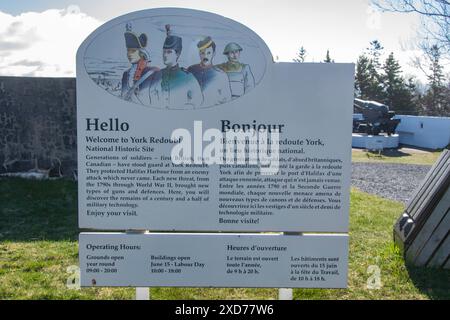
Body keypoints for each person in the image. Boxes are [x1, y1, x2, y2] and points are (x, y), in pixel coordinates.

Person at [146, 25, 203, 109]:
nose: (165, 55)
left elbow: (198, 101)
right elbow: (151, 100)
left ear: (177, 54)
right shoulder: (156, 75)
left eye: (169, 52)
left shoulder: (188, 78)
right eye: (164, 52)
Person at [121, 23, 159, 104]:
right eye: (128, 51)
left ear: (141, 53)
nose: (129, 54)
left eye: (133, 51)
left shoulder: (153, 73)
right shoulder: (125, 74)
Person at [187, 36, 231, 107]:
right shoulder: (191, 71)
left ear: (214, 54)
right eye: (202, 53)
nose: (205, 56)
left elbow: (226, 99)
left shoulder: (221, 75)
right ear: (199, 53)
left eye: (209, 53)